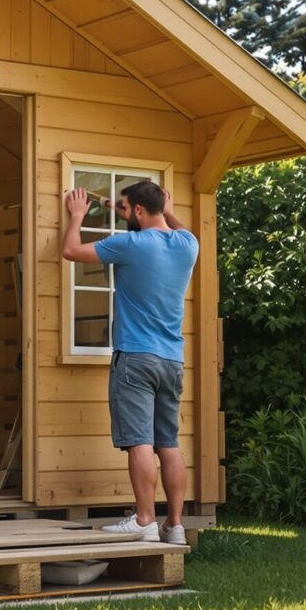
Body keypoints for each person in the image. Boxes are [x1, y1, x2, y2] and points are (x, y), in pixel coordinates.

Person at [60, 180, 197, 544]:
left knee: (139, 441)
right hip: (172, 359)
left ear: (137, 211)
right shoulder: (188, 245)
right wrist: (156, 208)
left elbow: (71, 251)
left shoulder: (130, 244)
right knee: (167, 443)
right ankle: (176, 525)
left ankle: (144, 520)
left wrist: (77, 215)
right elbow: (173, 224)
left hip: (136, 357)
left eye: (128, 207)